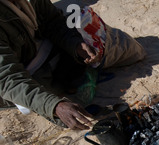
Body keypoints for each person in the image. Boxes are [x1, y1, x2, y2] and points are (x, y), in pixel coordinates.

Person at [0, 0, 145, 130]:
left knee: (77, 11)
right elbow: (8, 80)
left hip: (36, 48)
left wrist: (76, 46)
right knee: (58, 100)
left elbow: (52, 21)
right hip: (17, 76)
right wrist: (54, 106)